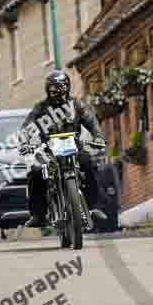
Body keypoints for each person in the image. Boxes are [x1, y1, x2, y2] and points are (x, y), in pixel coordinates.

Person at [22, 70, 107, 228]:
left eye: (61, 87)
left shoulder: (78, 105)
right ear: (47, 89)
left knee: (89, 164)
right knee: (35, 172)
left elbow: (92, 122)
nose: (57, 91)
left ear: (67, 87)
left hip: (74, 148)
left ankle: (94, 207)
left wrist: (99, 137)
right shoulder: (41, 108)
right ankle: (38, 215)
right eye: (53, 88)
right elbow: (28, 125)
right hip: (49, 151)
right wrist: (25, 141)